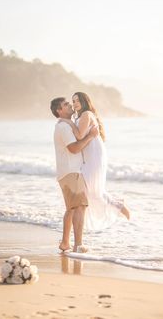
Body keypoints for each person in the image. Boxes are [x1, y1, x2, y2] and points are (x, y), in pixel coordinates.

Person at [59, 92, 130, 231]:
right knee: (90, 192)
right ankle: (118, 204)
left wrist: (68, 122)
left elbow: (79, 136)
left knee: (93, 192)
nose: (75, 103)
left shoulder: (86, 114)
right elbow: (79, 136)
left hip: (94, 155)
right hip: (88, 155)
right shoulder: (79, 117)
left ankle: (119, 205)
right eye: (73, 101)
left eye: (78, 100)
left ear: (85, 101)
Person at [50, 97, 99, 252]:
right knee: (80, 206)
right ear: (59, 111)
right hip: (72, 171)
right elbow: (74, 148)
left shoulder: (63, 126)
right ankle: (78, 245)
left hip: (66, 172)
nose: (70, 105)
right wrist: (91, 136)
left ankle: (65, 243)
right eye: (66, 104)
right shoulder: (64, 127)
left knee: (72, 208)